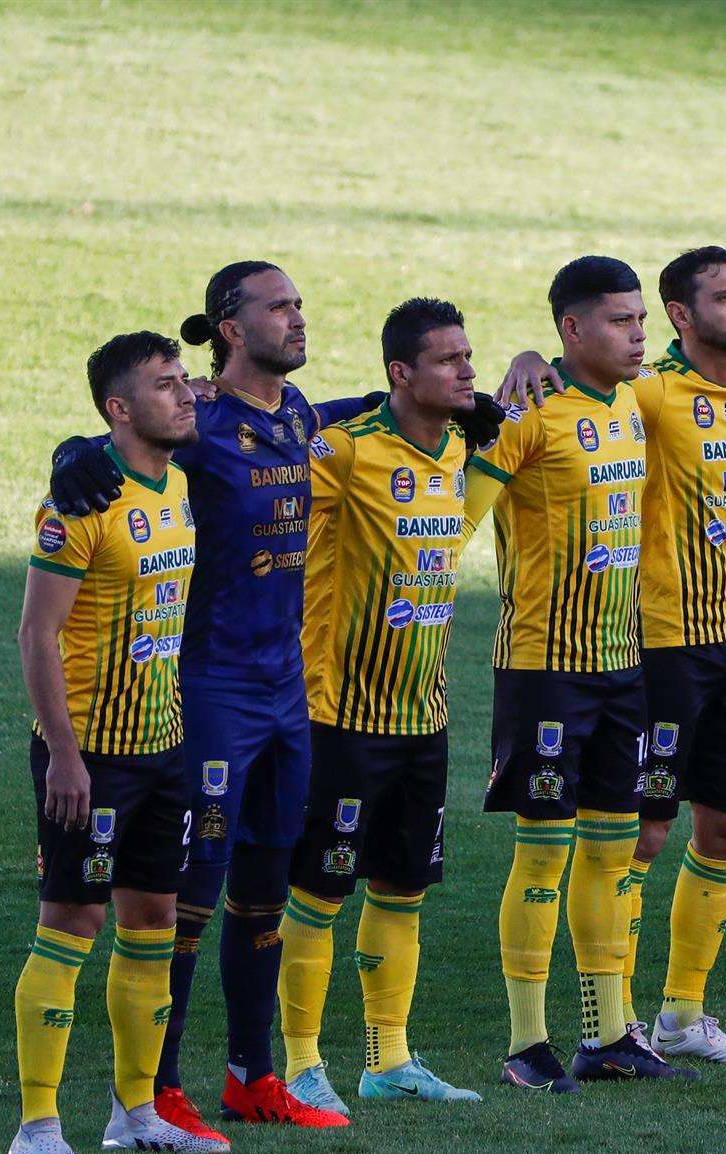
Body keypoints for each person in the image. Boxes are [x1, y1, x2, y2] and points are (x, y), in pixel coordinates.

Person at [44, 262, 381, 1134]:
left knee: (266, 887)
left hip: (285, 693)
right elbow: (117, 448)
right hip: (212, 692)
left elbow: (362, 407)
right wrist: (70, 453)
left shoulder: (296, 414)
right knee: (186, 893)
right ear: (231, 327)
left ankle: (251, 1076)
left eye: (300, 303)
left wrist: (490, 382)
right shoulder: (198, 420)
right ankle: (156, 1087)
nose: (298, 317)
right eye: (280, 306)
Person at [468, 257, 695, 1091]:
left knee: (609, 852)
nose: (639, 335)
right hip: (544, 670)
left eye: (642, 320)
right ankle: (527, 1043)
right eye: (620, 321)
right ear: (572, 328)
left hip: (621, 668)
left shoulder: (630, 402)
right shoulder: (528, 413)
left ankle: (606, 1037)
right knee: (542, 855)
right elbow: (453, 519)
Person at [9, 331, 225, 1154]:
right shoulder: (79, 504)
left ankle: (135, 1112)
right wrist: (64, 756)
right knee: (72, 922)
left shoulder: (176, 481)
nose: (186, 394)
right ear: (119, 408)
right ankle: (36, 1129)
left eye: (184, 379)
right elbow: (36, 633)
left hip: (163, 750)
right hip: (90, 755)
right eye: (166, 385)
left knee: (153, 923)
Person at [275, 298, 482, 1104]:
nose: (466, 371)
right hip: (339, 717)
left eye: (468, 356)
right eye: (447, 360)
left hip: (423, 714)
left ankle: (387, 1061)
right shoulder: (346, 451)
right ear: (400, 373)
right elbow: (261, 475)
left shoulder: (461, 444)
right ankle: (301, 1064)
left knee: (402, 887)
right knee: (319, 891)